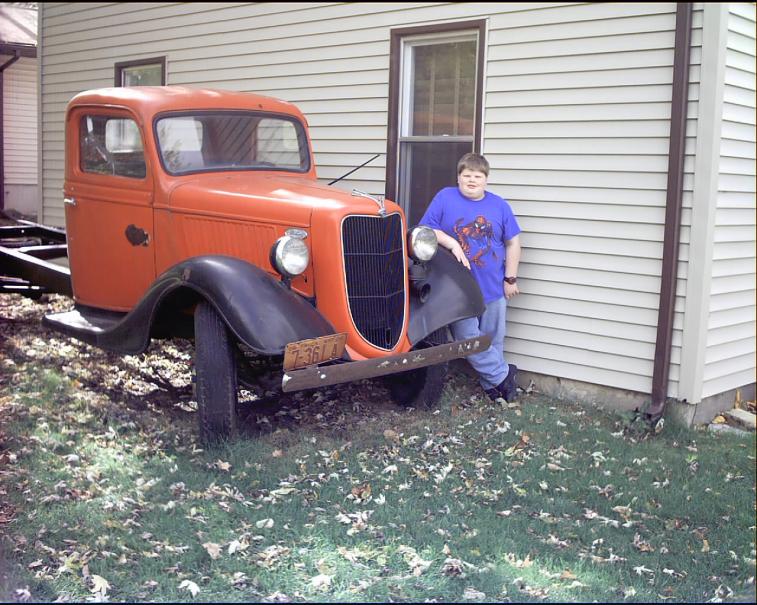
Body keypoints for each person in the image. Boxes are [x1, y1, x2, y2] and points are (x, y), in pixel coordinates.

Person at [419, 152, 521, 401]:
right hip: (457, 289)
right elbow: (426, 229)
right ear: (458, 177)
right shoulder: (445, 197)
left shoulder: (499, 206)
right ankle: (504, 376)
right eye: (467, 175)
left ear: (486, 179)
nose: (472, 180)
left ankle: (494, 388)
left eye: (477, 176)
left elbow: (513, 243)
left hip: (493, 286)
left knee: (493, 339)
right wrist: (452, 243)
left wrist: (510, 279)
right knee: (467, 337)